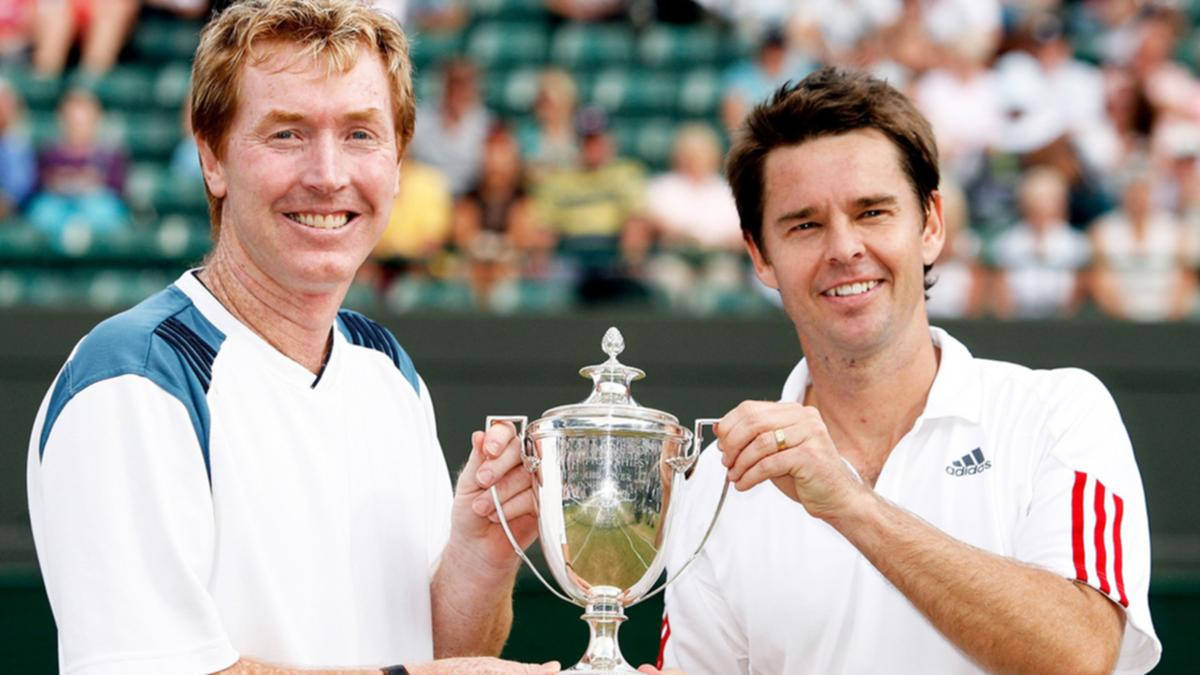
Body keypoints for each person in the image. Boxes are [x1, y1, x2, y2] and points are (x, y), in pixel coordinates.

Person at [26, 2, 557, 674]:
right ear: (211, 158)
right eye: (287, 134)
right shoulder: (132, 382)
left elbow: (443, 648)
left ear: (398, 163)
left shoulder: (388, 371)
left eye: (361, 134)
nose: (328, 174)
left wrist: (480, 556)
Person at [646, 68, 1161, 674]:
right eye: (805, 224)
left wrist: (849, 503)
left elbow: (1081, 652)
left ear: (931, 224)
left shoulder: (1059, 412)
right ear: (760, 255)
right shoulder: (719, 478)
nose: (844, 248)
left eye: (872, 212)